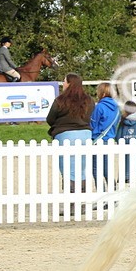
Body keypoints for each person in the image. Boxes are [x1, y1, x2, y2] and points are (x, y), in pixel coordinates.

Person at [46, 73, 94, 212]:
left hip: (65, 135)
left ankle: (71, 204)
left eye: (64, 81)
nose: (63, 84)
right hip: (85, 135)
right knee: (82, 169)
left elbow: (50, 119)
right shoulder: (89, 100)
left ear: (69, 83)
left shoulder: (60, 100)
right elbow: (90, 115)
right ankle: (82, 201)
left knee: (67, 170)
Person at [89, 82, 121, 189]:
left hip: (98, 139)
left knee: (96, 168)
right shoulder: (117, 108)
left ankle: (101, 191)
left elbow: (93, 124)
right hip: (110, 138)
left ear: (102, 93)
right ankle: (113, 190)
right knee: (107, 168)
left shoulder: (99, 107)